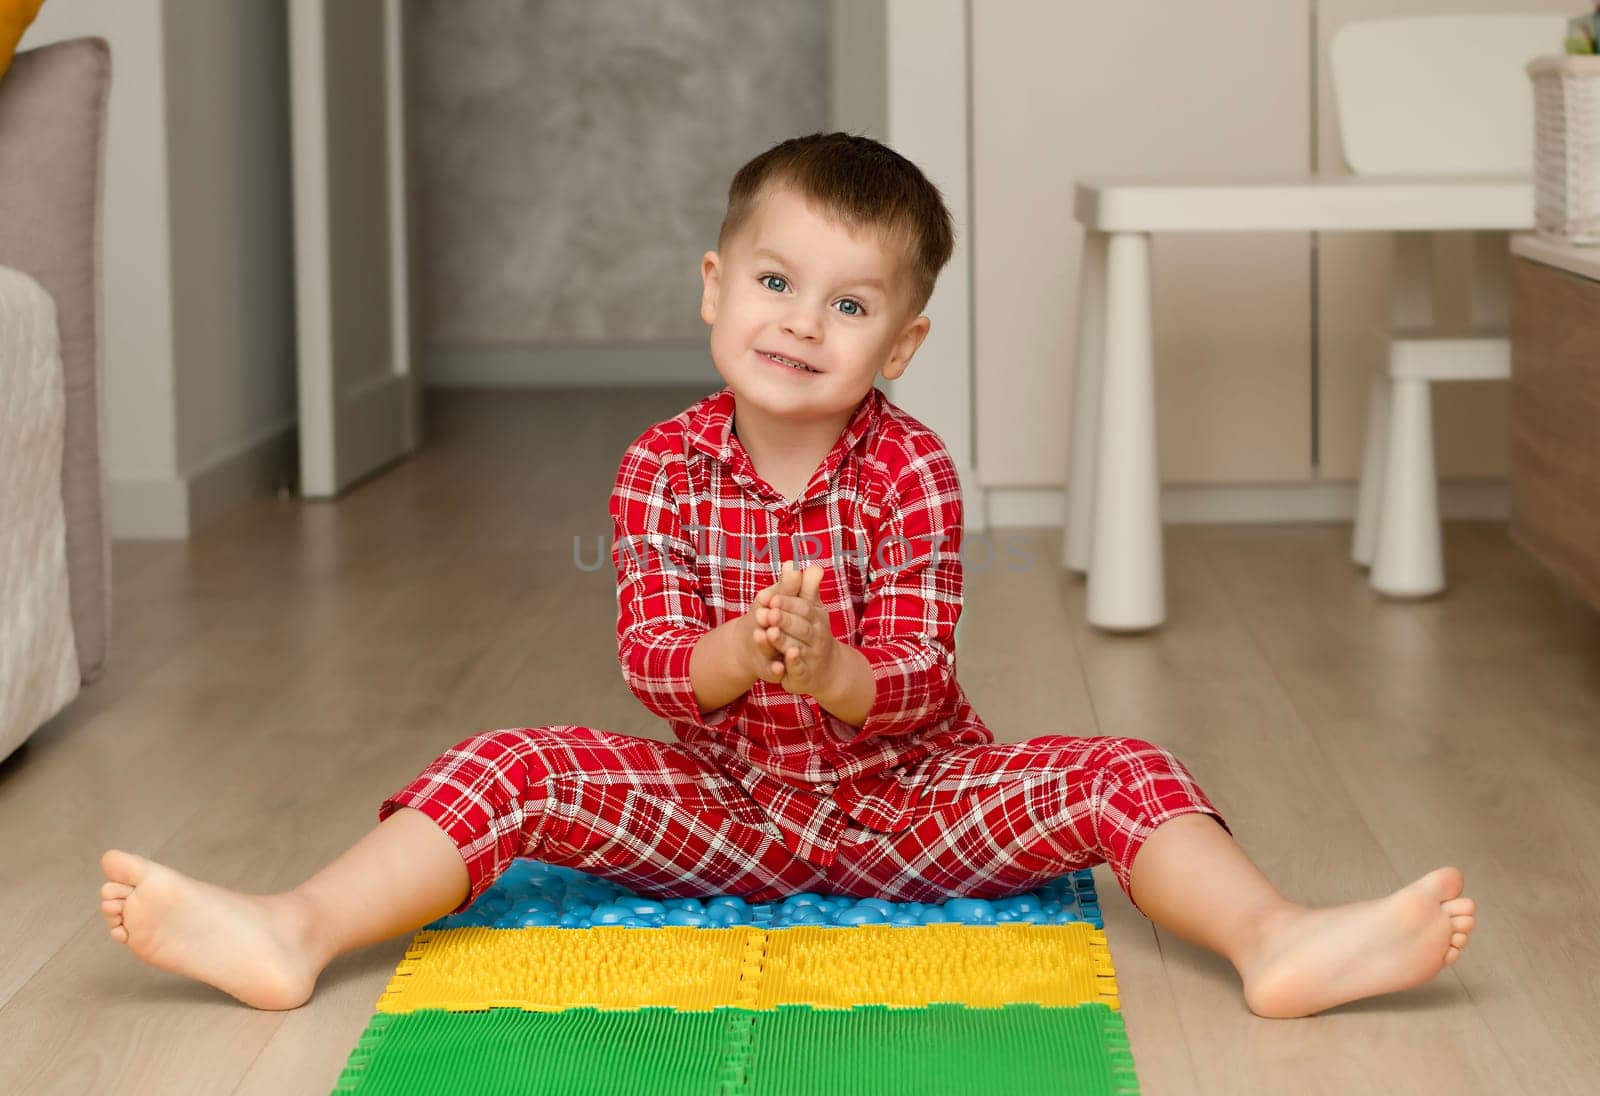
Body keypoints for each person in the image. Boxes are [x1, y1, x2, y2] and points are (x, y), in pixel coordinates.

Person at [98, 132, 1474, 1019]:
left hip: (906, 806)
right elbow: (654, 671)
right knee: (510, 763)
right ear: (713, 287)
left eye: (851, 304)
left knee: (1122, 771)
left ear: (903, 344)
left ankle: (1274, 937)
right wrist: (747, 655)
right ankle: (295, 926)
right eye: (774, 283)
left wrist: (830, 668)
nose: (803, 325)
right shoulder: (658, 467)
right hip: (723, 803)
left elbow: (923, 680)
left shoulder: (916, 473)